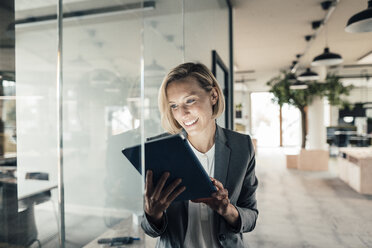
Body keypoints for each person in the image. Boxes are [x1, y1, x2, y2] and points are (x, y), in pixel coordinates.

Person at [142, 62, 258, 248]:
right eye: (173, 105)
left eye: (190, 101)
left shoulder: (241, 146)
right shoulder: (159, 149)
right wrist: (153, 214)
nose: (182, 113)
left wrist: (226, 209)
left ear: (213, 95)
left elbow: (251, 216)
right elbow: (149, 228)